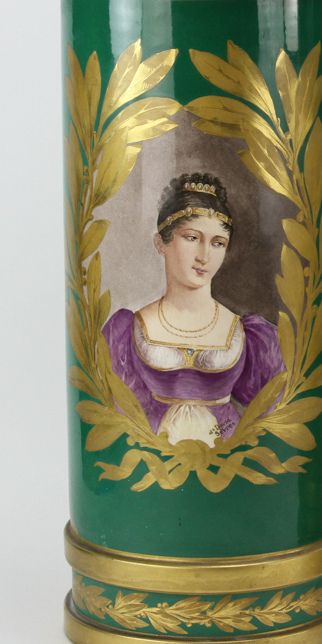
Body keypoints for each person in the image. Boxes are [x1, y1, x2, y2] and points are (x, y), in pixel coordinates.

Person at [102, 173, 284, 446]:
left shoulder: (250, 334)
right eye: (191, 238)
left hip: (227, 457)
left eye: (218, 243)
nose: (204, 256)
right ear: (161, 243)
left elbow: (272, 420)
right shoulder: (126, 330)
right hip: (155, 458)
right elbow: (115, 420)